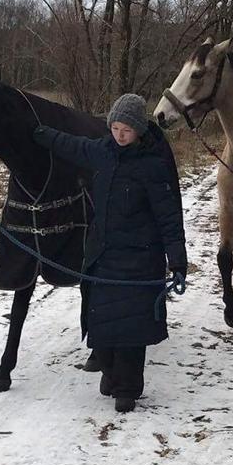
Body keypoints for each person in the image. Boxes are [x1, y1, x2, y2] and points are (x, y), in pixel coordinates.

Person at [33, 94, 187, 412]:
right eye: (115, 128)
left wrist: (177, 260)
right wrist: (40, 133)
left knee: (131, 330)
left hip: (140, 261)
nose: (119, 135)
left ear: (139, 131)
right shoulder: (102, 151)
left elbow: (169, 218)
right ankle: (110, 373)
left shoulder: (152, 166)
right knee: (101, 325)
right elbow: (72, 145)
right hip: (103, 256)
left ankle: (127, 389)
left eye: (126, 130)